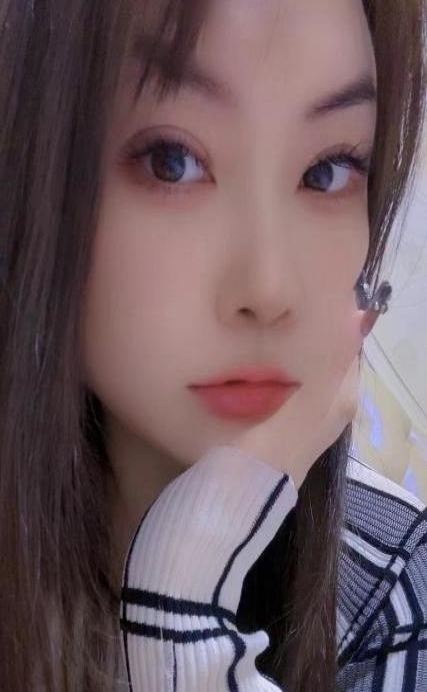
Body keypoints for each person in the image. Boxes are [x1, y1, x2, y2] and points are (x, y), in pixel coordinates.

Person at [0, 0, 426, 691]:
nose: (269, 286)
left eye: (327, 170)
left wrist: (185, 602)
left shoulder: (390, 586)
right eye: (171, 162)